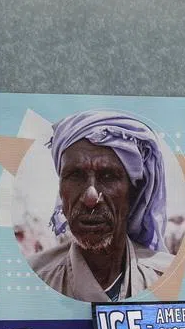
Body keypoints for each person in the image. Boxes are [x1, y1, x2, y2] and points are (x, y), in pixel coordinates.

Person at [28, 111, 173, 302]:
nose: (90, 197)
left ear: (134, 193)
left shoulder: (167, 278)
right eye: (75, 176)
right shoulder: (33, 279)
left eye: (108, 176)